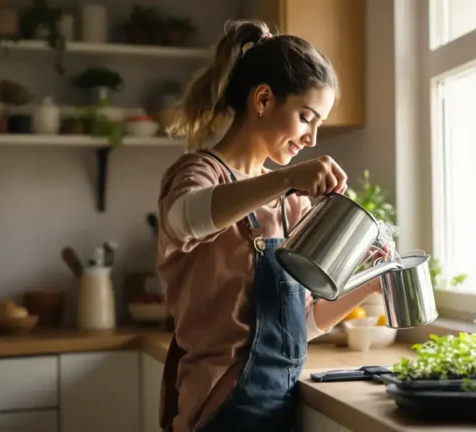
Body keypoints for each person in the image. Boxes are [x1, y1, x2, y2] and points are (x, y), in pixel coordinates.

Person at [155, 19, 389, 432]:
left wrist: (370, 282)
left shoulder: (288, 204)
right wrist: (285, 178)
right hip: (216, 407)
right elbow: (185, 218)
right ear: (263, 99)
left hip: (276, 403)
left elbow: (299, 324)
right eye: (306, 117)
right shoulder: (201, 172)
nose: (312, 138)